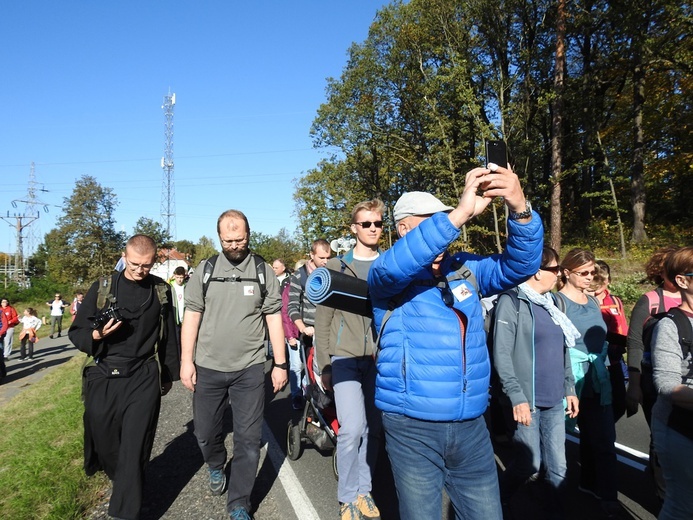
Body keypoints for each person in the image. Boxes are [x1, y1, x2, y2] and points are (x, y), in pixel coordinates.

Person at [368, 162, 543, 520]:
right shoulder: (387, 274)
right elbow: (394, 266)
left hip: (472, 425)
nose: (444, 230)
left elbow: (521, 266)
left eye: (443, 219)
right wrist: (461, 212)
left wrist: (519, 207)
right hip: (411, 425)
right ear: (403, 229)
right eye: (431, 221)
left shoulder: (464, 268)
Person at [180, 209, 288, 520]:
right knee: (204, 432)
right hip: (209, 366)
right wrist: (187, 361)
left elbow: (274, 320)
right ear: (219, 238)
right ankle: (215, 463)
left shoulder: (263, 271)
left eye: (239, 239)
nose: (234, 245)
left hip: (250, 368)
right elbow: (191, 318)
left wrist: (279, 364)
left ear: (249, 234)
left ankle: (240, 503)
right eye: (228, 240)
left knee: (249, 439)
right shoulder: (206, 270)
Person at [68, 234, 180, 520]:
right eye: (134, 264)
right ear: (124, 256)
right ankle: (125, 478)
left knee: (134, 444)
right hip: (104, 374)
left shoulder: (161, 290)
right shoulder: (103, 286)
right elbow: (77, 331)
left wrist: (168, 374)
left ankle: (123, 510)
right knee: (104, 438)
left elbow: (169, 336)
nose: (140, 270)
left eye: (146, 265)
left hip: (142, 376)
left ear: (154, 260)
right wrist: (95, 335)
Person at [492, 246, 579, 518]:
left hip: (554, 398)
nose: (559, 274)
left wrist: (570, 388)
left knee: (558, 468)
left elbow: (563, 349)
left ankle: (554, 512)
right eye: (555, 269)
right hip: (525, 399)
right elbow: (502, 354)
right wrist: (516, 396)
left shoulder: (554, 303)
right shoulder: (512, 302)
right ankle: (496, 500)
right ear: (537, 272)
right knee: (528, 465)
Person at [315, 200, 384, 520]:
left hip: (378, 361)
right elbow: (324, 320)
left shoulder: (388, 266)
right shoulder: (336, 268)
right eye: (366, 223)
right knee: (352, 428)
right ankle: (346, 498)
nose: (373, 228)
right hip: (344, 360)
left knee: (372, 429)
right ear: (354, 228)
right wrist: (324, 365)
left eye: (378, 223)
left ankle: (363, 492)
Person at [555, 248, 620, 516]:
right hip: (570, 377)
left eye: (592, 272)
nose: (589, 277)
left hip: (597, 377)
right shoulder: (557, 302)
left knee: (604, 439)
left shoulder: (592, 301)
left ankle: (606, 493)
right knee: (556, 439)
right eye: (583, 272)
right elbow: (557, 345)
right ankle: (550, 493)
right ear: (566, 273)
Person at [626, 246, 681, 502]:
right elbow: (635, 342)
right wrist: (634, 385)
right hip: (653, 381)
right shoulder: (651, 300)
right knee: (661, 437)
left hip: (686, 381)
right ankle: (664, 496)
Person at [651, 246, 693, 520]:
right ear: (683, 280)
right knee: (683, 505)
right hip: (679, 428)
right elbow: (667, 385)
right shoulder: (669, 326)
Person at [286, 240, 331, 410]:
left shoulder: (332, 272)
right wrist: (302, 327)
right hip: (310, 332)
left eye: (328, 257)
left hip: (330, 330)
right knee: (312, 371)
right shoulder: (300, 276)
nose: (325, 261)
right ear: (312, 255)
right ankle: (313, 404)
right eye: (321, 257)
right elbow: (291, 306)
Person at [592, 261, 629, 423]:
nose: (600, 283)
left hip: (616, 360)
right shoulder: (585, 301)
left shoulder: (615, 301)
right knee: (598, 406)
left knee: (620, 403)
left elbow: (623, 326)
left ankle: (605, 433)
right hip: (595, 362)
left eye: (603, 278)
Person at [170, 266, 187, 348]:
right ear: (174, 276)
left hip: (184, 319)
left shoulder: (186, 287)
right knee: (176, 341)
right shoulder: (170, 287)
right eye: (177, 277)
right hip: (174, 318)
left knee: (184, 341)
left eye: (181, 277)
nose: (179, 280)